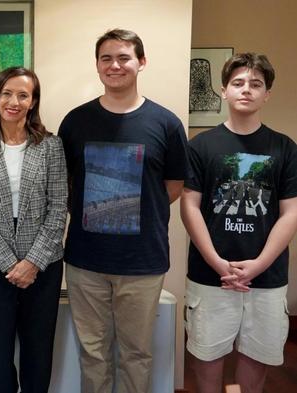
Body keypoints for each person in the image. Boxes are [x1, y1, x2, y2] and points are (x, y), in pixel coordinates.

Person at [58, 28, 191, 393]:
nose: (114, 65)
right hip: (86, 261)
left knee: (136, 353)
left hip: (142, 262)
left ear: (141, 62)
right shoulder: (75, 122)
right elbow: (65, 182)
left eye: (123, 57)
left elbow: (174, 186)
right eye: (106, 58)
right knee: (93, 353)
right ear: (98, 66)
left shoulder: (166, 123)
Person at [181, 53, 297, 393]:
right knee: (206, 356)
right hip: (210, 275)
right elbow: (190, 207)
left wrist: (259, 264)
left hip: (267, 277)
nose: (246, 90)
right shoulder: (201, 146)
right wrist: (217, 262)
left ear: (267, 94)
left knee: (257, 358)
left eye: (256, 84)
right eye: (238, 83)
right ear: (223, 91)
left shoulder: (285, 148)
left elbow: (291, 212)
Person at [0, 66, 67, 393]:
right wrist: (10, 264)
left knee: (38, 354)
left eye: (23, 95)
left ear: (33, 101)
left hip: (44, 267)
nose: (14, 101)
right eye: (7, 93)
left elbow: (57, 208)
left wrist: (32, 262)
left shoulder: (50, 146)